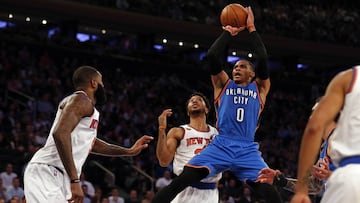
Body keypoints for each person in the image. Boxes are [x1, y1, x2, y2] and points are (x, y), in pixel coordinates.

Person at [152, 7, 281, 203]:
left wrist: (251, 28)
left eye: (243, 66)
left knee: (269, 191)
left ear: (252, 74)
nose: (237, 69)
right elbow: (213, 56)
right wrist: (228, 32)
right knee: (182, 180)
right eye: (235, 66)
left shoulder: (260, 88)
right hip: (221, 144)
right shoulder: (223, 85)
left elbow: (262, 58)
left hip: (246, 148)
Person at [23, 66, 153, 203]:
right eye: (101, 82)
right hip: (49, 171)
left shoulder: (86, 107)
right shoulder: (81, 100)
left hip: (59, 176)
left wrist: (128, 151)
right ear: (94, 83)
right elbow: (60, 133)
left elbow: (92, 143)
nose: (103, 86)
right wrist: (75, 179)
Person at [291, 65, 360, 203]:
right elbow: (316, 186)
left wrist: (301, 191)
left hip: (349, 180)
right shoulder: (327, 144)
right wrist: (279, 180)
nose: (313, 114)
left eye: (316, 110)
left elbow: (313, 128)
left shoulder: (349, 77)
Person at [156, 92, 221, 203]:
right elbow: (163, 161)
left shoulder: (218, 133)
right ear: (187, 111)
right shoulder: (179, 132)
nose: (194, 101)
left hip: (211, 192)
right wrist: (162, 128)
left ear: (206, 110)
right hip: (185, 189)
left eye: (199, 100)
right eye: (191, 101)